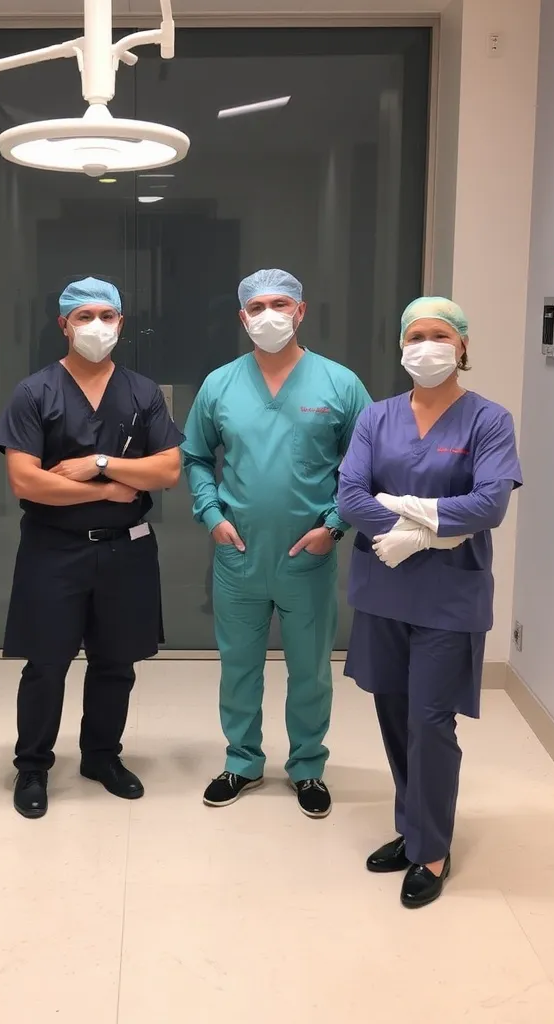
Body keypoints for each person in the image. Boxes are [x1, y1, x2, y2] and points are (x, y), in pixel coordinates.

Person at [337, 296, 522, 909]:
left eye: (440, 335)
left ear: (462, 346)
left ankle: (433, 849)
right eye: (415, 336)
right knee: (394, 714)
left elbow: (490, 504)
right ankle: (412, 827)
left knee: (431, 722)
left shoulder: (488, 420)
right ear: (401, 346)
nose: (427, 347)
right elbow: (350, 495)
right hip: (384, 590)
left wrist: (414, 528)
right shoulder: (376, 418)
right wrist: (434, 523)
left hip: (448, 595)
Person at [0, 277, 184, 819]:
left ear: (121, 323)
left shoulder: (142, 392)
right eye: (84, 317)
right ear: (64, 325)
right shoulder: (35, 392)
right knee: (46, 663)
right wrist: (108, 489)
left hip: (126, 551)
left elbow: (168, 470)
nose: (96, 326)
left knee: (116, 662)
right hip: (54, 550)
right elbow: (26, 481)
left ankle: (102, 757)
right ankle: (32, 766)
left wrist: (98, 464)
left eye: (106, 316)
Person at [182, 269, 371, 818]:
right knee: (238, 665)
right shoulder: (220, 384)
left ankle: (307, 765)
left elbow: (367, 463)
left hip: (307, 555)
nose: (270, 315)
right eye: (258, 307)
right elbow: (195, 456)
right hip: (238, 553)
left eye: (281, 304)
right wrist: (211, 514)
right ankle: (241, 761)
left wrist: (334, 525)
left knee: (309, 669)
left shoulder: (339, 384)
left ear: (301, 311)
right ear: (242, 318)